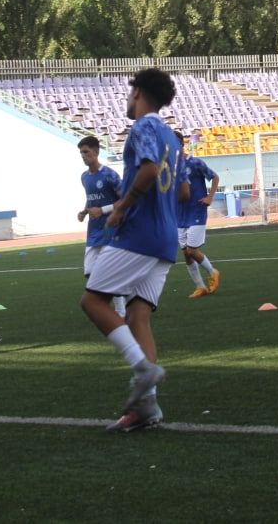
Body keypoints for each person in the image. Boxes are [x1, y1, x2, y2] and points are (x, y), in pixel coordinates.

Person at [79, 68, 184, 431]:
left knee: (93, 301)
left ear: (137, 92)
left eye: (129, 93)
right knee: (138, 316)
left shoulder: (143, 127)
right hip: (166, 239)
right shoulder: (173, 137)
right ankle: (147, 408)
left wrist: (122, 206)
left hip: (140, 234)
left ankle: (143, 369)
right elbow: (182, 190)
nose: (127, 100)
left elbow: (149, 170)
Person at [76, 135, 125, 317]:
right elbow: (91, 199)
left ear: (96, 152)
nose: (83, 156)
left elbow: (126, 200)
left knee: (110, 270)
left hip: (110, 229)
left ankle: (120, 311)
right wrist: (84, 211)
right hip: (93, 231)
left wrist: (103, 210)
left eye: (86, 152)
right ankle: (120, 298)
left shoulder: (109, 175)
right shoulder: (84, 177)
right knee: (90, 271)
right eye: (81, 153)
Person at [174, 131, 222, 298]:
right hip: (179, 214)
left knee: (192, 250)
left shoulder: (194, 163)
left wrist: (210, 197)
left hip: (196, 210)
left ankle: (213, 272)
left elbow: (214, 177)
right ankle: (200, 287)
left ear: (181, 144)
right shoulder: (168, 167)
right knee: (186, 254)